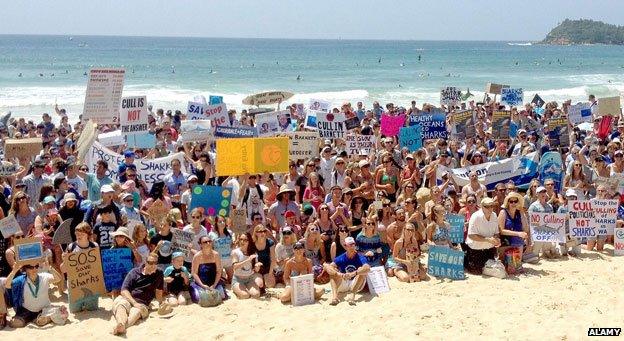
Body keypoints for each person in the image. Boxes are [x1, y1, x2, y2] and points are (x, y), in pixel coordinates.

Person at [112, 253, 164, 335]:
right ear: (145, 262)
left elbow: (159, 290)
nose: (153, 265)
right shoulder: (134, 272)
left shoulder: (159, 273)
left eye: (155, 263)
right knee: (121, 305)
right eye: (150, 263)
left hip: (142, 303)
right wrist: (134, 303)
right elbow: (124, 290)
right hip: (128, 298)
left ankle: (121, 327)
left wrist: (161, 303)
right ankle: (121, 323)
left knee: (136, 313)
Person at [4, 259, 63, 328]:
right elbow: (7, 285)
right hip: (26, 310)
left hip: (43, 309)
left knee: (42, 322)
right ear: (25, 269)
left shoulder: (44, 276)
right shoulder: (20, 280)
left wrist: (50, 268)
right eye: (31, 267)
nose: (34, 269)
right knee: (14, 324)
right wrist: (14, 271)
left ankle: (42, 319)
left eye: (36, 266)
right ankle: (35, 319)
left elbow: (58, 279)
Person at [324, 236, 370, 306]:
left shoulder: (360, 256)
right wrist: (340, 274)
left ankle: (352, 295)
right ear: (345, 246)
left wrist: (354, 273)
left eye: (353, 244)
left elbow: (367, 268)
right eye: (349, 245)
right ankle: (335, 297)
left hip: (356, 283)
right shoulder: (341, 257)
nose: (352, 246)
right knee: (332, 272)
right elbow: (329, 267)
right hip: (344, 281)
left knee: (361, 270)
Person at [465, 198, 501, 274]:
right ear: (482, 206)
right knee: (477, 271)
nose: (489, 208)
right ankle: (466, 259)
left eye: (491, 206)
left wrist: (497, 239)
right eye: (486, 206)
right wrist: (487, 239)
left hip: (489, 250)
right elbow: (471, 235)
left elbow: (496, 233)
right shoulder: (475, 216)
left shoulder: (494, 215)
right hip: (476, 250)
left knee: (491, 271)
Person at [190, 236, 226, 303]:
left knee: (222, 295)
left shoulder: (216, 254)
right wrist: (202, 285)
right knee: (198, 297)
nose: (208, 243)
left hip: (214, 283)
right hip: (201, 283)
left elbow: (219, 271)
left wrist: (214, 285)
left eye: (209, 241)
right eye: (205, 242)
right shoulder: (197, 256)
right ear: (200, 244)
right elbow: (194, 273)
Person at [230, 233, 263, 299]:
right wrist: (248, 260)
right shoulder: (235, 252)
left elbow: (255, 270)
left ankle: (246, 288)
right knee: (245, 296)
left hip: (249, 278)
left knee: (256, 294)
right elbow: (234, 267)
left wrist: (257, 266)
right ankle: (234, 288)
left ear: (249, 242)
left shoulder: (253, 253)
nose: (242, 242)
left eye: (245, 240)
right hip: (238, 279)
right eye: (241, 239)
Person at [208, 215, 233, 283]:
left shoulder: (230, 233)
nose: (222, 223)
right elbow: (210, 248)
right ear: (216, 223)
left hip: (229, 260)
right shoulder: (211, 234)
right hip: (218, 261)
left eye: (223, 221)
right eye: (220, 222)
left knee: (232, 280)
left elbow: (231, 245)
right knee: (220, 282)